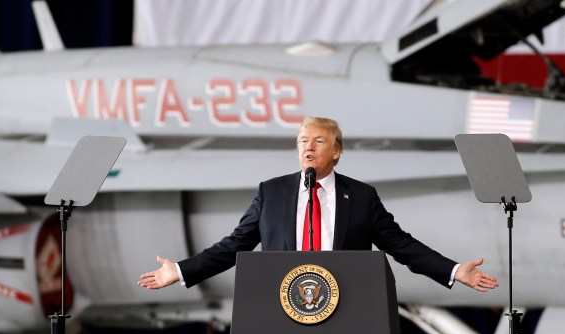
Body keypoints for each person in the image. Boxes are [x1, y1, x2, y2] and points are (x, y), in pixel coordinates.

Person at [138, 116, 498, 292]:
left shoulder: (361, 197)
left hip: (346, 306)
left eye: (319, 141)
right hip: (283, 307)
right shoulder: (271, 193)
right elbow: (234, 245)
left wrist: (453, 270)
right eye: (302, 141)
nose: (308, 147)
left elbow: (400, 244)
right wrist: (181, 270)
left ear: (337, 152)